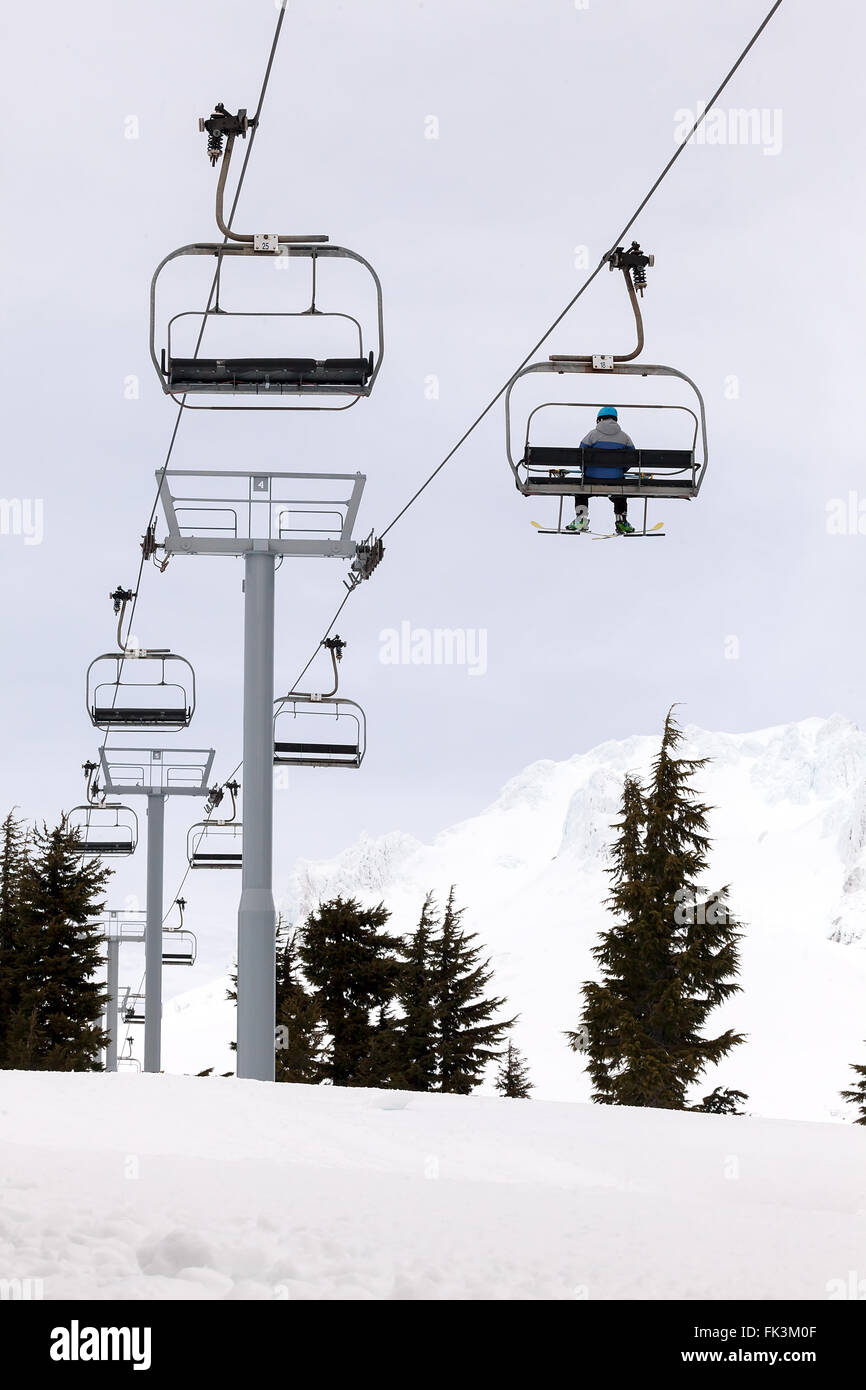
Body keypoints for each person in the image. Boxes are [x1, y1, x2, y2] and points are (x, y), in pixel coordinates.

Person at [565, 406, 636, 534]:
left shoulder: (592, 435)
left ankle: (581, 518)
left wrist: (585, 470)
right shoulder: (625, 437)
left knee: (581, 491)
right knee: (620, 494)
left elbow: (580, 455)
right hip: (616, 480)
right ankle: (621, 520)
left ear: (599, 419)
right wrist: (621, 470)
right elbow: (633, 458)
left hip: (591, 478)